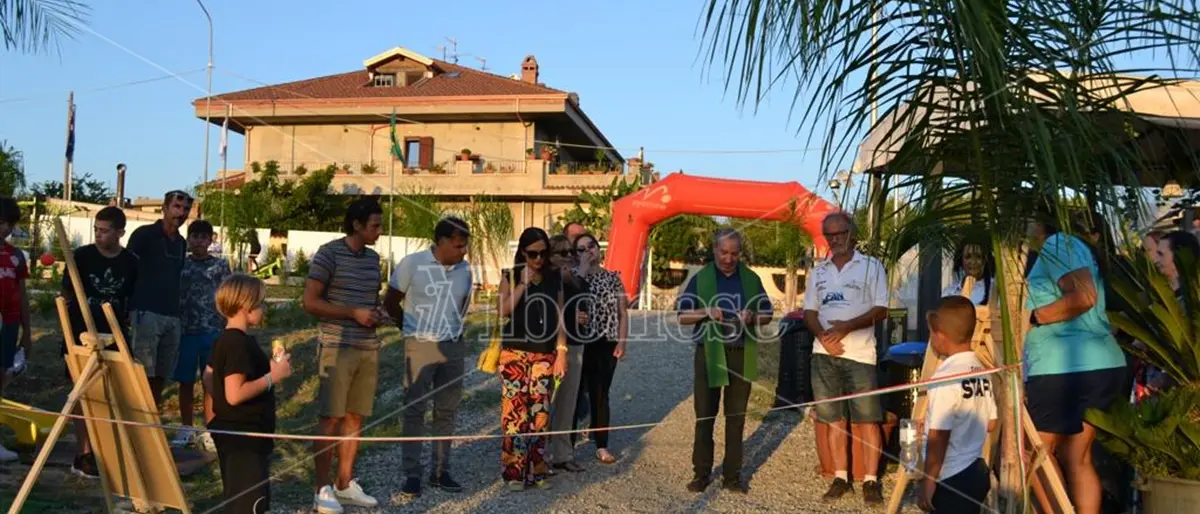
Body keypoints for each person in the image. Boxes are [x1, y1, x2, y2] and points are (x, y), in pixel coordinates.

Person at [1024, 204, 1127, 514]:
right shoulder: (1073, 248)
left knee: (1035, 454)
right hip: (1098, 364)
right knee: (1076, 457)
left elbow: (1084, 296)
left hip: (1062, 367)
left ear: (1040, 222)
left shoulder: (1059, 243)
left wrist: (1034, 317)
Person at [676, 228, 773, 494]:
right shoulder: (701, 278)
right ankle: (701, 473)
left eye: (734, 253)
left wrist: (752, 317)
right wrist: (706, 311)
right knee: (705, 416)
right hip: (708, 353)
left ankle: (732, 475)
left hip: (742, 352)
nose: (729, 259)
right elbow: (682, 317)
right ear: (714, 249)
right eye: (724, 252)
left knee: (736, 417)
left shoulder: (751, 279)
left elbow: (767, 314)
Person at [303, 198, 384, 513]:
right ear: (357, 225)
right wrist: (353, 313)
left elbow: (370, 301)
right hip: (336, 346)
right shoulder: (329, 253)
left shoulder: (373, 259)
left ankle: (344, 483)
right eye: (375, 225)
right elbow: (310, 302)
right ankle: (321, 489)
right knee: (331, 417)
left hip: (368, 345)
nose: (379, 231)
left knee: (355, 415)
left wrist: (377, 314)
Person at [803, 212, 889, 504]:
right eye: (829, 235)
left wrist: (847, 328)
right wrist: (823, 337)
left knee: (868, 420)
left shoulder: (871, 267)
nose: (835, 239)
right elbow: (809, 312)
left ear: (853, 234)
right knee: (833, 419)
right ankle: (840, 478)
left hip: (860, 354)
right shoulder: (819, 272)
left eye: (840, 233)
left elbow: (882, 309)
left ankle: (871, 480)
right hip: (823, 355)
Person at [383, 216, 473, 498]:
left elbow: (463, 304)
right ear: (442, 242)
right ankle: (412, 473)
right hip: (419, 346)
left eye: (465, 245)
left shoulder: (465, 270)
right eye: (458, 245)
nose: (463, 251)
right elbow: (390, 300)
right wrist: (408, 329)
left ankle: (441, 471)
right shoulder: (412, 264)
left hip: (452, 346)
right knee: (415, 410)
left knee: (447, 410)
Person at [60, 206, 139, 477]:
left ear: (120, 233)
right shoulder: (82, 256)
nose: (98, 235)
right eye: (96, 229)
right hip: (81, 331)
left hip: (114, 333)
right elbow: (66, 291)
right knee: (82, 392)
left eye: (105, 231)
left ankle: (106, 451)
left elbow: (131, 297)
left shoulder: (131, 261)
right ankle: (82, 453)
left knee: (111, 392)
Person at [203, 273, 292, 514]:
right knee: (250, 504)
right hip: (245, 437)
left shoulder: (223, 339)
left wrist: (218, 413)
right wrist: (273, 376)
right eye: (261, 303)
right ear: (246, 306)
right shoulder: (238, 344)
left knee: (237, 499)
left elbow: (208, 377)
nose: (263, 308)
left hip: (233, 433)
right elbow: (235, 394)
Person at [497, 227, 568, 491]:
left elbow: (560, 316)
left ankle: (536, 468)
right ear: (522, 252)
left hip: (545, 352)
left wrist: (562, 351)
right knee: (514, 412)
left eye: (543, 253)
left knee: (540, 412)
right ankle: (514, 471)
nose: (538, 259)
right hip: (514, 351)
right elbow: (502, 310)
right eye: (532, 254)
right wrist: (522, 284)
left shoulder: (554, 276)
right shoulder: (510, 274)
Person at [917, 296, 997, 514]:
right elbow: (991, 423)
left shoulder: (945, 376)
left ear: (940, 335)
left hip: (951, 475)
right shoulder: (981, 370)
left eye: (931, 333)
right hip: (976, 470)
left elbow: (939, 436)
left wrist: (928, 481)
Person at [127, 189, 193, 408]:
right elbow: (128, 269)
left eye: (186, 209)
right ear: (164, 208)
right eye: (177, 207)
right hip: (146, 311)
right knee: (143, 371)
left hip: (172, 315)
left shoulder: (181, 243)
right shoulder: (144, 235)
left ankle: (153, 414)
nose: (181, 213)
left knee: (162, 372)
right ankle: (138, 416)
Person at [172, 219, 231, 449]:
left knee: (210, 381)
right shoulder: (181, 265)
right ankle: (186, 428)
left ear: (210, 239)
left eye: (203, 237)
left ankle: (210, 429)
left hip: (213, 331)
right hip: (187, 331)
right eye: (194, 236)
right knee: (185, 381)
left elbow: (228, 296)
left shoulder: (220, 266)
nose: (198, 241)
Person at [573, 232, 628, 465]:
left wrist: (622, 341)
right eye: (582, 249)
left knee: (601, 394)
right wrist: (582, 270)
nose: (588, 251)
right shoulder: (574, 277)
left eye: (591, 246)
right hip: (579, 342)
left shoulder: (613, 278)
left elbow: (622, 312)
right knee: (574, 394)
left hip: (606, 341)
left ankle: (601, 444)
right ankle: (566, 446)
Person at [547, 234, 590, 473]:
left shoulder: (573, 279)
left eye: (571, 252)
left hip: (574, 343)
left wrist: (583, 316)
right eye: (562, 253)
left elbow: (582, 303)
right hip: (548, 345)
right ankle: (538, 455)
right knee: (544, 402)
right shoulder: (545, 279)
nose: (569, 257)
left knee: (568, 401)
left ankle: (562, 454)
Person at [0, 197, 31, 463]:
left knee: (3, 376)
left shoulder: (16, 256)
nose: (5, 229)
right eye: (1, 222)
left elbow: (21, 294)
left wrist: (27, 331)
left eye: (9, 224)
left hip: (9, 324)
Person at [942, 235, 994, 305]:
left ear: (985, 260)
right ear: (961, 260)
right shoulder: (948, 293)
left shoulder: (994, 289)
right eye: (968, 257)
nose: (973, 262)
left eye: (978, 257)